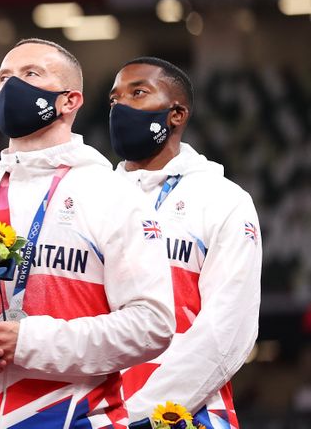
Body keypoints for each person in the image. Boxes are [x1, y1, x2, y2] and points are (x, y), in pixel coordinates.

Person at [0, 39, 176, 428]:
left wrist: (30, 342)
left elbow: (152, 324)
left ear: (69, 100)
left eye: (30, 75)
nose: (11, 87)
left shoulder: (114, 196)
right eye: (3, 77)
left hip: (78, 418)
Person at [109, 57, 262, 428]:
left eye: (138, 93)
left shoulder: (223, 200)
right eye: (113, 99)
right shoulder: (92, 198)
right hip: (96, 410)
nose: (120, 106)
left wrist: (139, 411)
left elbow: (228, 328)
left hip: (190, 413)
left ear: (176, 114)